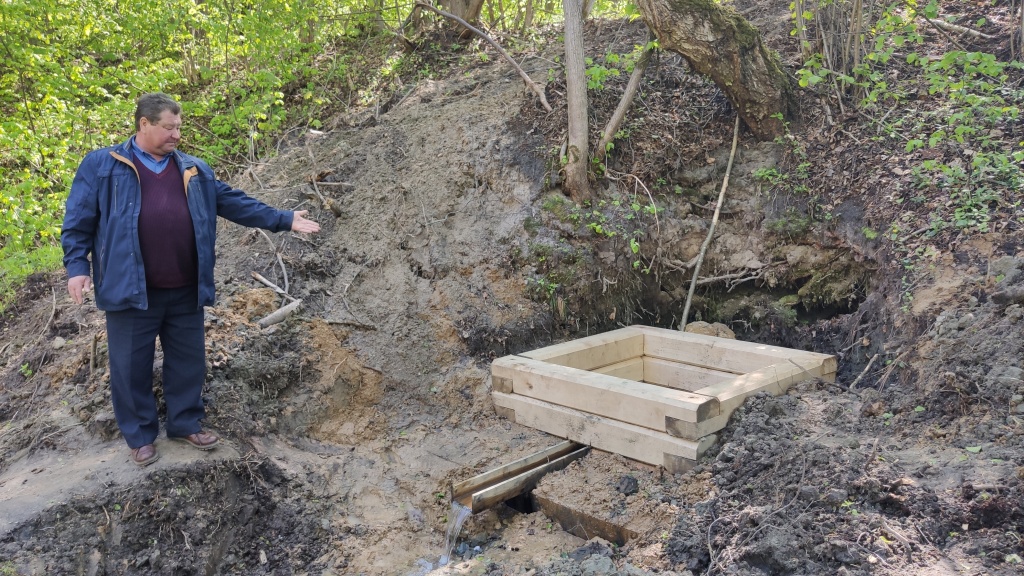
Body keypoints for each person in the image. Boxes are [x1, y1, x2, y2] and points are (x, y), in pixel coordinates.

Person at [62, 92, 320, 467]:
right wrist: (77, 268)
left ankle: (185, 423)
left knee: (188, 362)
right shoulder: (103, 165)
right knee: (130, 367)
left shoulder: (194, 170)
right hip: (130, 288)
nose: (176, 135)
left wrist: (283, 218)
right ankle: (140, 437)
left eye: (179, 127)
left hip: (185, 286)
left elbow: (233, 202)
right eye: (169, 128)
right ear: (144, 124)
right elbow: (78, 221)